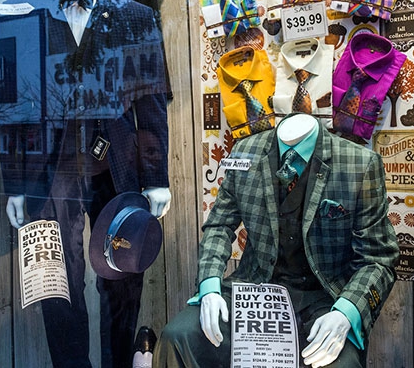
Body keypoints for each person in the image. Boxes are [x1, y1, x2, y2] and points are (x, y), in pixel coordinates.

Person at [0, 0, 170, 367]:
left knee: (123, 272)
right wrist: (16, 182)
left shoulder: (136, 16)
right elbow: (8, 103)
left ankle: (119, 362)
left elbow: (151, 98)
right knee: (56, 277)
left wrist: (155, 176)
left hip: (118, 166)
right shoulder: (21, 15)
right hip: (50, 169)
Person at [154, 113, 399, 368]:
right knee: (177, 337)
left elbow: (378, 258)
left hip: (324, 299)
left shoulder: (360, 163)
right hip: (253, 290)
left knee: (341, 364)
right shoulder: (245, 152)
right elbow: (219, 225)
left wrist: (347, 311)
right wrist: (209, 286)